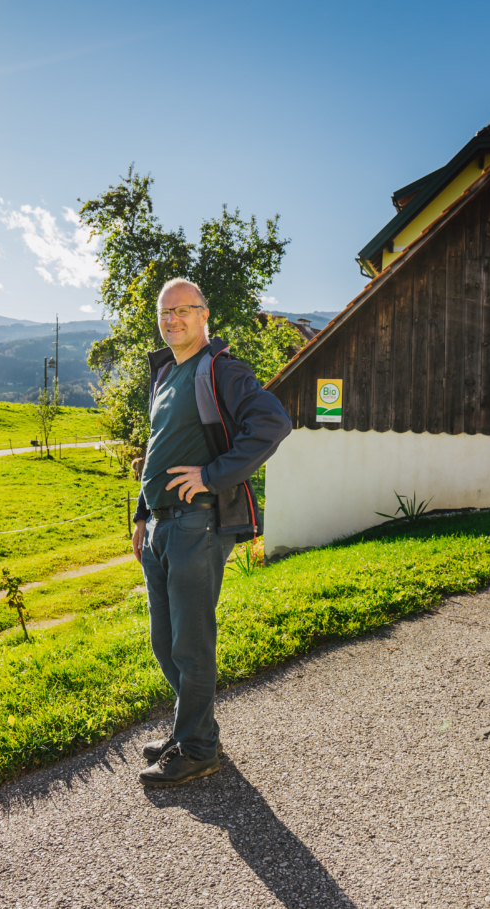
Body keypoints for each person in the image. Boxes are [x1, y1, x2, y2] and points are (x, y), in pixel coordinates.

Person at [133, 278, 292, 786]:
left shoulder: (220, 369)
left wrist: (211, 475)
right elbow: (159, 446)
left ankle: (199, 749)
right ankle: (193, 731)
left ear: (204, 315)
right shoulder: (166, 373)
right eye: (165, 312)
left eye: (183, 310)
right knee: (164, 641)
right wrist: (141, 515)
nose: (172, 319)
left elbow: (272, 423)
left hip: (197, 524)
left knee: (191, 644)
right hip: (161, 525)